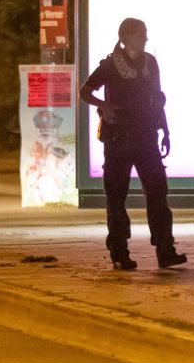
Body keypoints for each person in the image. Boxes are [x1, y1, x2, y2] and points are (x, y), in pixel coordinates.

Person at [79, 17, 187, 270]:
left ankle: (165, 249)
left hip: (147, 136)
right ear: (126, 36)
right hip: (118, 139)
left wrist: (166, 130)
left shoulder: (151, 62)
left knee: (158, 192)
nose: (146, 38)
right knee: (117, 197)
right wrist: (103, 105)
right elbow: (86, 90)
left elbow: (158, 98)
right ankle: (119, 252)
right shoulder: (109, 65)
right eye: (141, 34)